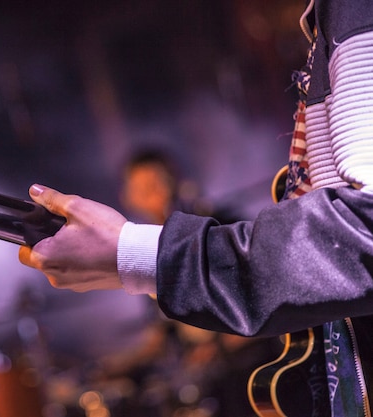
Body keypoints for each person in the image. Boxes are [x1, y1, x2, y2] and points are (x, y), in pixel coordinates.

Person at [19, 1, 373, 415]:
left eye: (155, 183)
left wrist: (139, 254)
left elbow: (362, 228)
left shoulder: (356, 10)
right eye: (139, 188)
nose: (149, 195)